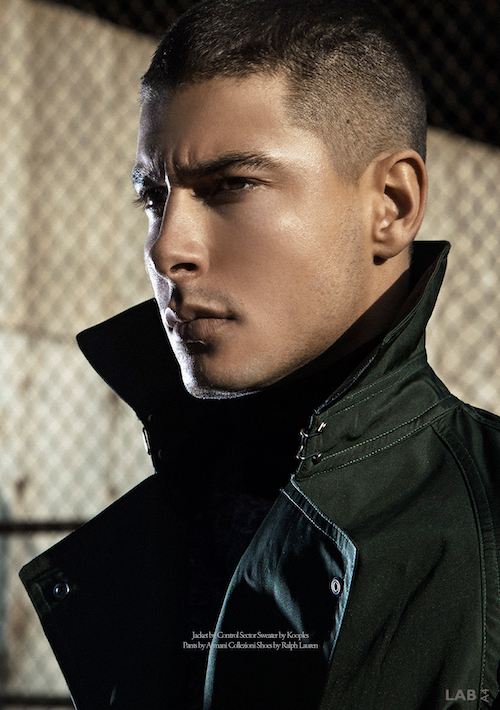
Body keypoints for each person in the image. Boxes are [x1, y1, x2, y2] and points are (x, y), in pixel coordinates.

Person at [20, 0, 500, 708]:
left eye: (231, 186)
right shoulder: (180, 516)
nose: (167, 248)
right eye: (153, 199)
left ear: (392, 205)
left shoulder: (484, 528)